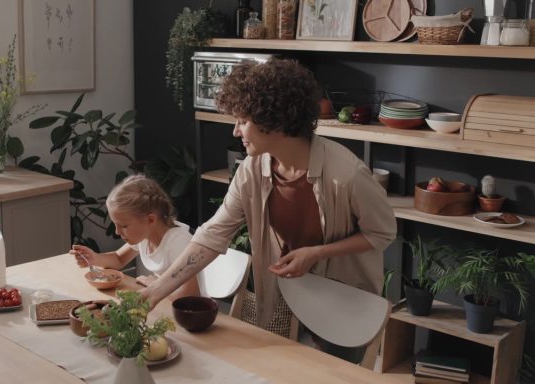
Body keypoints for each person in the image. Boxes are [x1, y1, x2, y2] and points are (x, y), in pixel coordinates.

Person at [140, 58, 396, 357]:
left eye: (242, 121)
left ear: (274, 121)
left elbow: (382, 233)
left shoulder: (347, 175)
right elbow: (212, 235)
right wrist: (154, 293)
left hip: (343, 302)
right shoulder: (251, 170)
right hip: (288, 296)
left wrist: (317, 253)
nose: (236, 132)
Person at [70, 174, 201, 300]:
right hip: (164, 302)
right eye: (115, 224)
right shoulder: (146, 234)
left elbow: (189, 295)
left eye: (123, 226)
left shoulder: (178, 242)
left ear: (150, 220)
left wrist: (153, 285)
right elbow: (119, 258)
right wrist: (95, 258)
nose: (116, 231)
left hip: (192, 313)